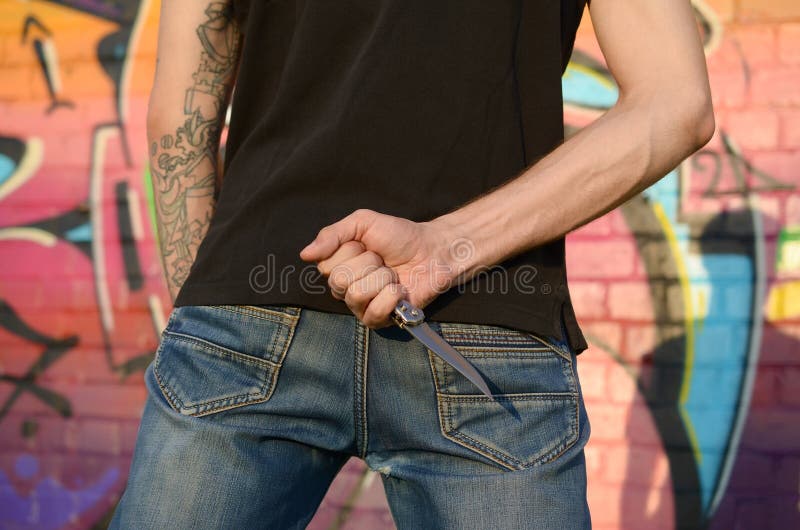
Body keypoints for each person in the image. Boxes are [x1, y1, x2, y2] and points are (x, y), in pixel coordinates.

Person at [110, 0, 714, 528]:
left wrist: (208, 315)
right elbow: (673, 102)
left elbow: (179, 124)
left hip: (251, 306)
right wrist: (449, 245)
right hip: (490, 327)